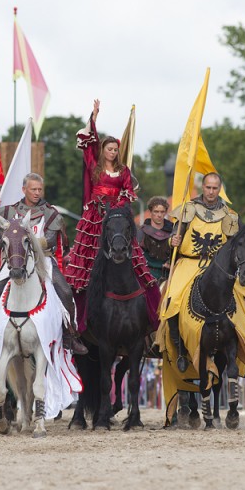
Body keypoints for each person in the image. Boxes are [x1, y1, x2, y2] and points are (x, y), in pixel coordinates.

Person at [157, 172, 245, 381]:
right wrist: (172, 241)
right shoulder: (188, 209)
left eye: (215, 188)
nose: (211, 192)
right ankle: (180, 349)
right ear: (203, 187)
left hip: (218, 267)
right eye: (208, 187)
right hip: (189, 262)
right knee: (172, 298)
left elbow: (240, 243)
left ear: (219, 189)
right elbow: (174, 237)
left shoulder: (229, 215)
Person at [64, 99, 160, 332]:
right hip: (95, 218)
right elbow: (89, 143)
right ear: (103, 150)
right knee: (85, 265)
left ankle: (146, 317)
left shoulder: (123, 171)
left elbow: (127, 193)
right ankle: (77, 321)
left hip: (115, 215)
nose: (112, 152)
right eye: (109, 149)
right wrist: (94, 117)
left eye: (115, 149)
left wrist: (118, 205)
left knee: (134, 259)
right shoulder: (94, 165)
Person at [0, 173, 87, 355]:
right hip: (14, 259)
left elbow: (51, 240)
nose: (37, 193)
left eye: (39, 189)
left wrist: (28, 241)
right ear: (24, 190)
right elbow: (1, 239)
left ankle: (70, 335)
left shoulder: (50, 213)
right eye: (33, 189)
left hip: (42, 259)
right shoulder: (7, 212)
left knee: (66, 292)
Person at [137, 196, 173, 283]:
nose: (159, 215)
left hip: (168, 276)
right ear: (150, 212)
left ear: (165, 213)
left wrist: (171, 263)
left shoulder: (173, 232)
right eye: (156, 211)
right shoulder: (142, 232)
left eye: (162, 212)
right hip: (146, 275)